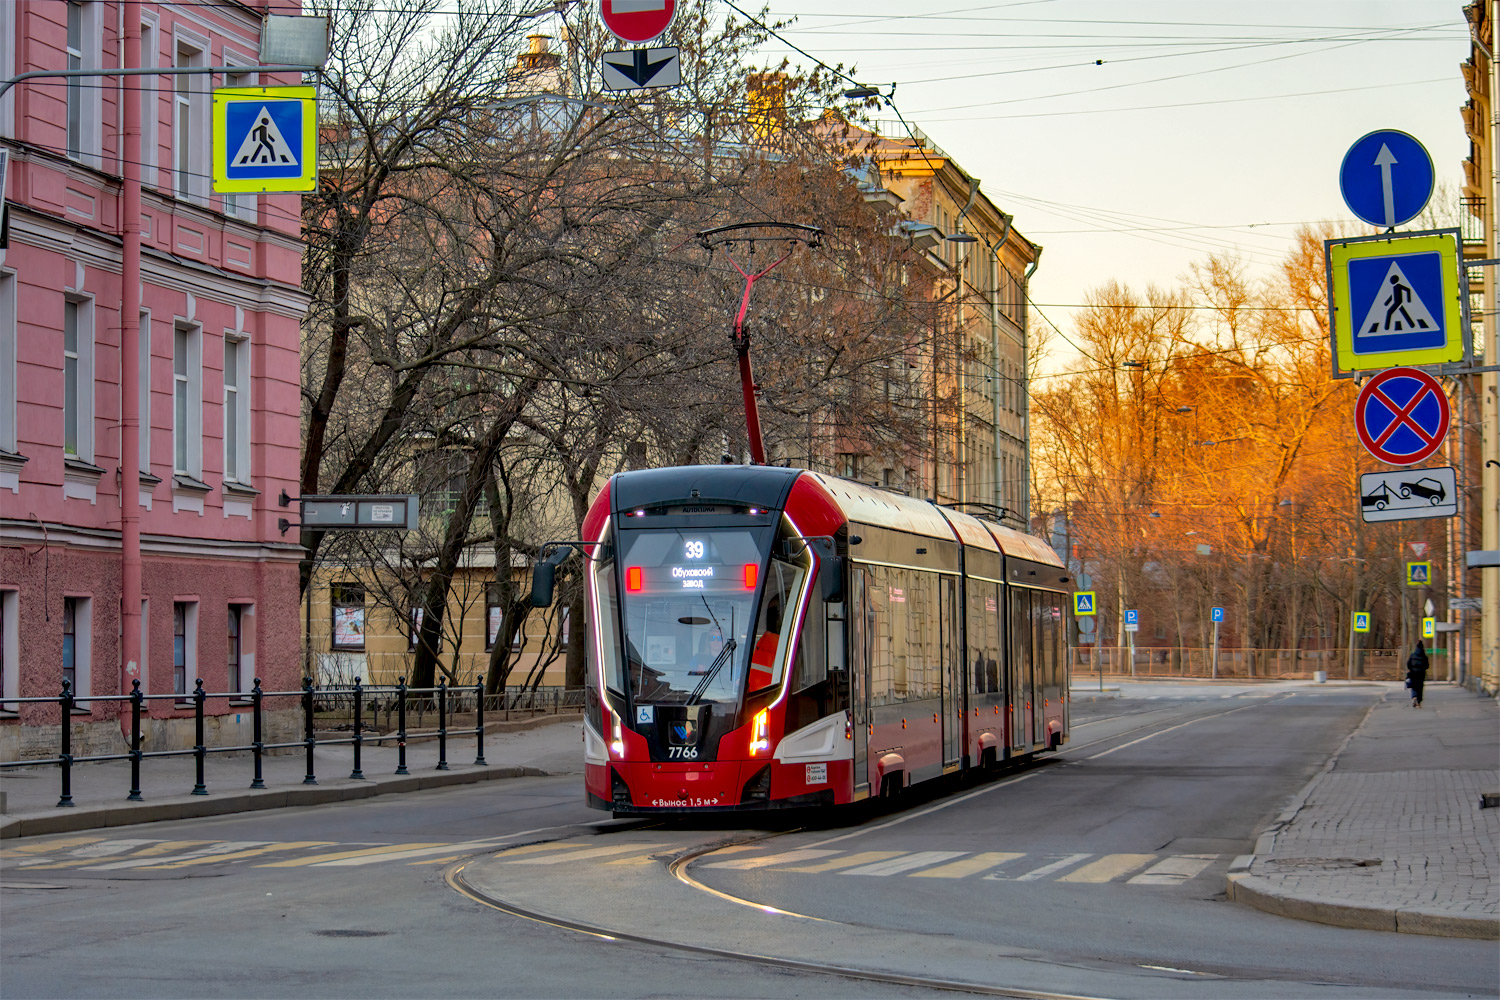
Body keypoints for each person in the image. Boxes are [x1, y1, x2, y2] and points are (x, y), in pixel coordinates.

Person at [1405, 641, 1429, 708]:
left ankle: (1414, 697)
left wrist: (1411, 669)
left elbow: (1408, 664)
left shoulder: (1412, 655)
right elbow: (1427, 665)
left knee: (1413, 686)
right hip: (1421, 674)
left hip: (1413, 673)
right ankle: (1419, 700)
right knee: (1420, 687)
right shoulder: (1424, 656)